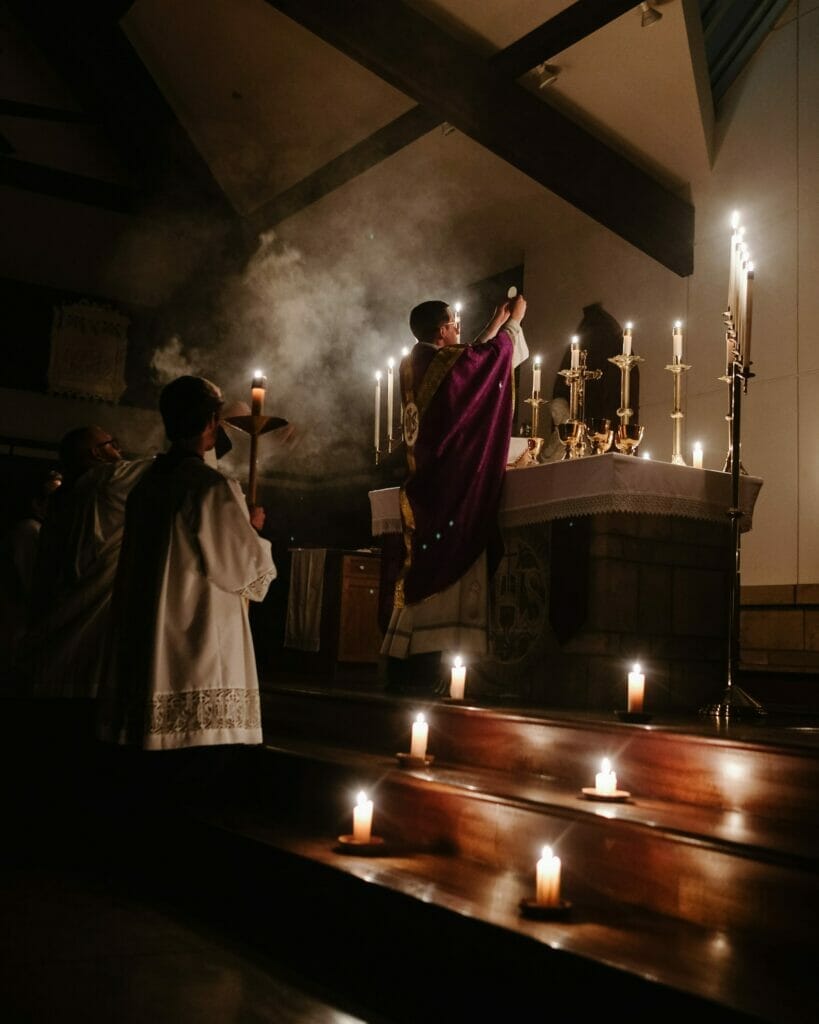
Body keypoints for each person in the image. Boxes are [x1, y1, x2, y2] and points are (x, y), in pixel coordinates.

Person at [97, 375, 276, 755]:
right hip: (196, 644)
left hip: (148, 636)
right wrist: (253, 533)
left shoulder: (148, 486)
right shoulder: (209, 487)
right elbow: (245, 571)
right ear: (212, 421)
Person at [381, 294, 529, 693]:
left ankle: (409, 658)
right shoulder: (439, 362)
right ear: (443, 329)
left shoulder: (416, 363)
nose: (458, 329)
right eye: (454, 324)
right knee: (449, 559)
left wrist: (494, 326)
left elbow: (468, 366)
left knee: (422, 568)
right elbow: (479, 368)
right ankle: (438, 662)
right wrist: (513, 324)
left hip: (427, 479)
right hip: (452, 483)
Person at [17, 426, 151, 702]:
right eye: (113, 444)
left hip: (49, 645)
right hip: (82, 649)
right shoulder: (105, 480)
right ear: (96, 453)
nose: (120, 451)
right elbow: (167, 469)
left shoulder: (64, 498)